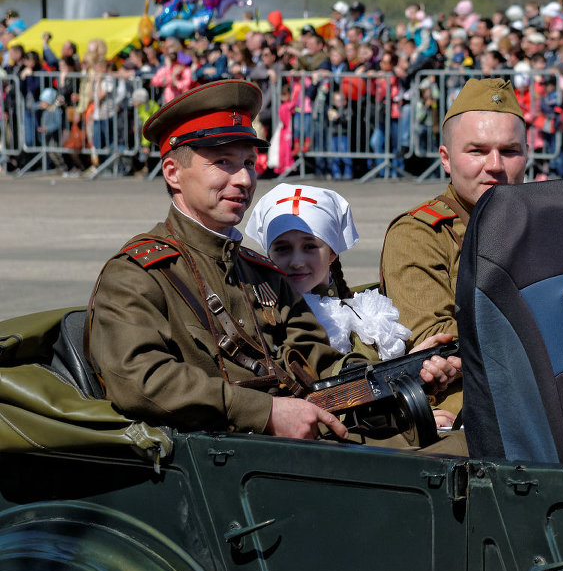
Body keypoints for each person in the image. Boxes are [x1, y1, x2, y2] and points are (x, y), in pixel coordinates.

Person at [87, 80, 353, 440]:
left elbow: (319, 358)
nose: (244, 179)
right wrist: (265, 412)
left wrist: (393, 376)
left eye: (248, 162)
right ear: (173, 173)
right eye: (222, 163)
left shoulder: (260, 271)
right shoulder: (139, 274)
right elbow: (140, 380)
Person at [245, 182, 459, 430]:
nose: (296, 261)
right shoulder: (266, 316)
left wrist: (415, 364)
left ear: (333, 253)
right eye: (282, 248)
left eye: (310, 246)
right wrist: (402, 413)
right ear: (268, 254)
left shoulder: (365, 311)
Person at [379, 78, 527, 414]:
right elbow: (436, 339)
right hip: (471, 406)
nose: (494, 165)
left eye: (509, 151)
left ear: (526, 155)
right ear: (446, 159)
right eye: (477, 151)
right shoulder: (420, 234)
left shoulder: (544, 222)